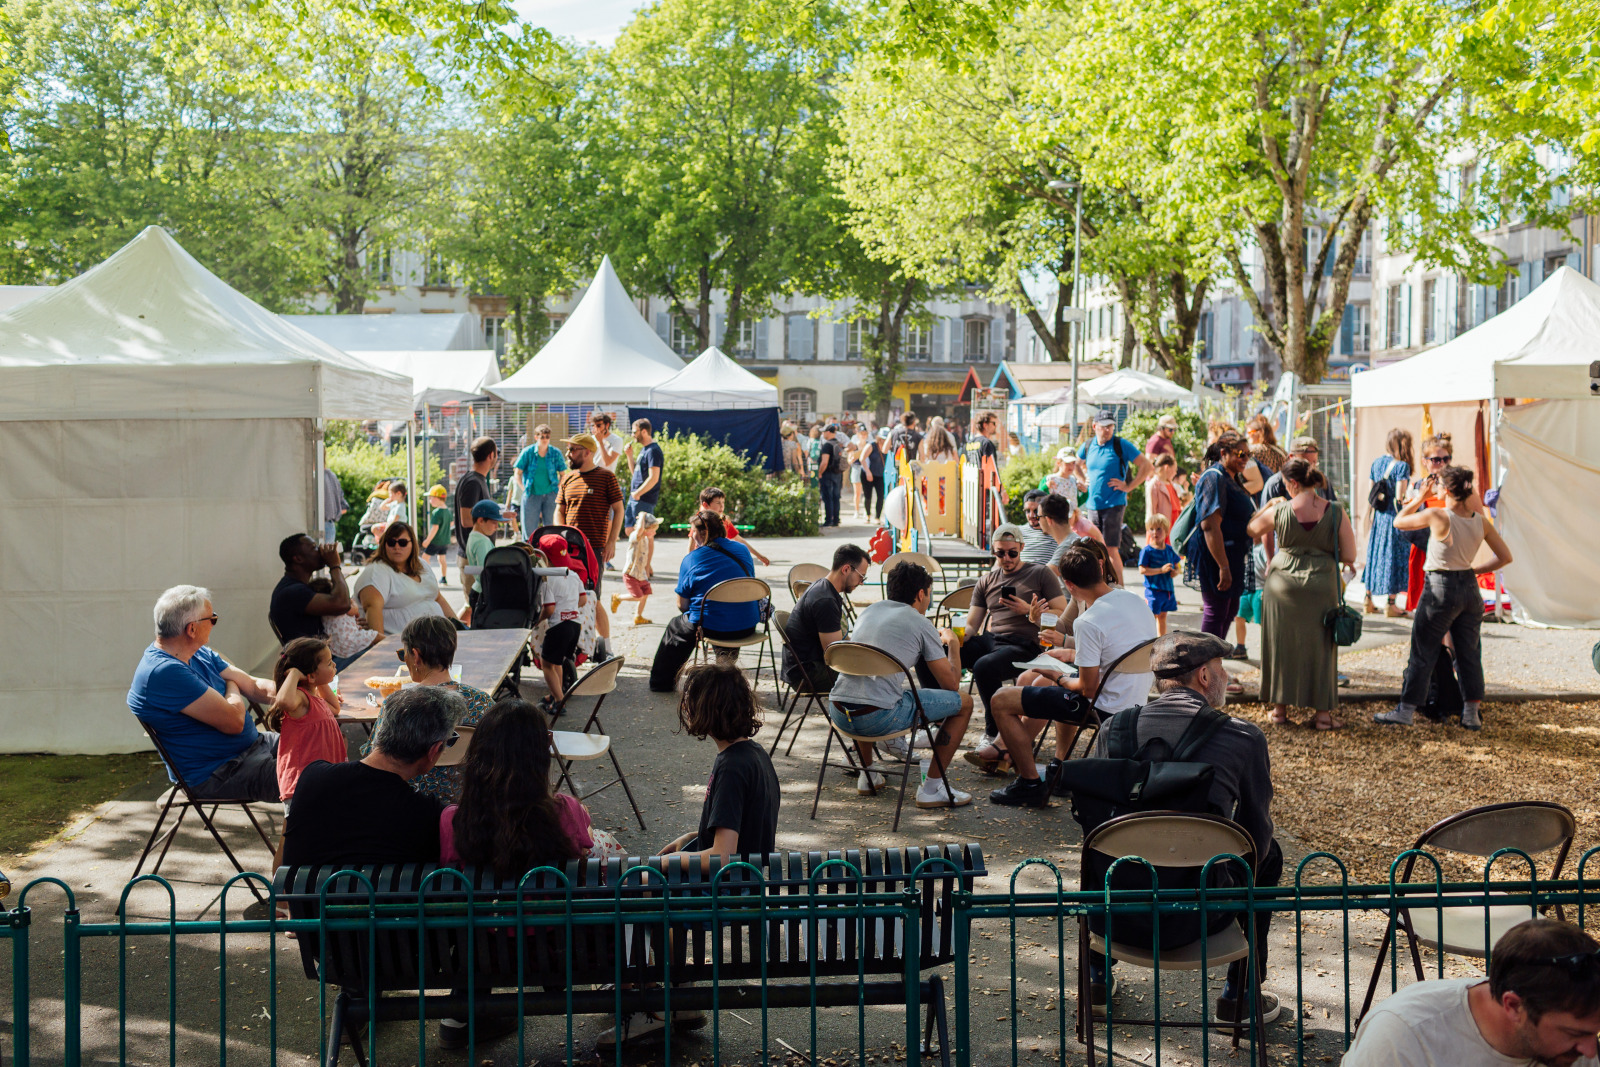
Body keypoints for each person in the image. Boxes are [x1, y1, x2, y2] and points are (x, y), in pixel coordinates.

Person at [1078, 631, 1281, 1025]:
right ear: (1204, 676)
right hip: (1203, 916)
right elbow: (1256, 833)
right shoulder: (1243, 737)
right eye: (1222, 668)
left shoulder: (1112, 730)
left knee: (1104, 849)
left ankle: (1096, 977)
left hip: (1120, 914)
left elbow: (1094, 831)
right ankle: (1240, 993)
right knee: (1269, 855)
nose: (1225, 676)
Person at [987, 545, 1157, 807]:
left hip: (1103, 708)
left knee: (1000, 699)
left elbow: (1087, 688)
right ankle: (1056, 767)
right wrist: (1068, 657)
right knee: (1047, 688)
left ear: (1068, 584)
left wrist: (1057, 677)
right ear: (1100, 569)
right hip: (1136, 703)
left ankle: (1030, 783)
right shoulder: (1135, 601)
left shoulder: (1088, 621)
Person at [1344, 919, 1600, 1067]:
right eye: (1575, 1034)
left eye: (1595, 1033)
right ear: (1512, 1006)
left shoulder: (1570, 1044)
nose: (1591, 1050)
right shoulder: (1403, 1038)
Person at [1375, 466, 1512, 731]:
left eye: (1438, 486)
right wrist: (1475, 570)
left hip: (1440, 587)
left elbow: (1399, 521)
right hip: (1469, 589)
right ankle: (1471, 714)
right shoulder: (1479, 521)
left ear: (1447, 490)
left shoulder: (1438, 515)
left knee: (1423, 650)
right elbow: (1505, 556)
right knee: (1469, 653)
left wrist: (1417, 498)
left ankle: (1406, 711)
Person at [828, 562, 976, 808]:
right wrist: (953, 644)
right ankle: (931, 789)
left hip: (840, 713)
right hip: (877, 718)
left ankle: (868, 774)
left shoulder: (869, 612)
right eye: (929, 593)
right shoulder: (920, 622)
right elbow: (951, 685)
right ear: (921, 594)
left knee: (867, 688)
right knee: (965, 704)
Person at [280, 682, 460, 868]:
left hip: (311, 896)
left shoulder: (313, 778)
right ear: (434, 750)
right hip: (382, 897)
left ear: (383, 730)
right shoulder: (429, 816)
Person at [128, 585, 280, 801]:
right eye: (213, 618)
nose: (214, 622)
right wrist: (233, 684)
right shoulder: (165, 672)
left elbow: (253, 685)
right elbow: (235, 721)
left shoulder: (197, 652)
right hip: (221, 771)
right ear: (192, 629)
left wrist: (307, 695)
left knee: (317, 745)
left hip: (253, 747)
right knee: (312, 779)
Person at [1248, 457, 1357, 730]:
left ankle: (1279, 712)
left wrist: (1268, 507)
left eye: (1285, 484)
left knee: (1281, 645)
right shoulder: (1335, 510)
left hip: (1282, 583)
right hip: (1321, 585)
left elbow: (1252, 530)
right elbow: (1351, 554)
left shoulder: (1281, 509)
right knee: (1321, 648)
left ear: (1293, 483)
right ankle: (1322, 716)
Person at [956, 525, 1068, 771]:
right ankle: (936, 722)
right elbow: (972, 625)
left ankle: (994, 732)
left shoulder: (1040, 574)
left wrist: (1028, 610)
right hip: (993, 639)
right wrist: (952, 638)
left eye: (1012, 553)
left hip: (1027, 642)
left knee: (984, 666)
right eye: (1000, 553)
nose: (1006, 558)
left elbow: (1062, 613)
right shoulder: (987, 580)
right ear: (993, 552)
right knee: (936, 653)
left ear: (1022, 549)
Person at [359, 616, 494, 802]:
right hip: (465, 807)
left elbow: (373, 757)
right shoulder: (483, 703)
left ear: (416, 655)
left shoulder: (398, 704)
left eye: (403, 654)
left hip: (409, 809)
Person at [648, 510, 760, 692]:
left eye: (692, 532)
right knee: (726, 616)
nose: (691, 536)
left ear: (701, 533)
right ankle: (725, 669)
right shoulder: (742, 550)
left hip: (711, 626)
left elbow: (682, 605)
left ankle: (661, 683)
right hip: (747, 625)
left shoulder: (692, 558)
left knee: (678, 626)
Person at [1190, 432, 1255, 695]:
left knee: (1228, 611)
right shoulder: (1214, 477)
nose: (1245, 459)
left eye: (1247, 455)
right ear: (1224, 452)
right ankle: (1202, 675)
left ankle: (1213, 671)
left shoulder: (1231, 478)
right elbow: (1209, 526)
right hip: (1217, 558)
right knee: (1216, 612)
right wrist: (1223, 566)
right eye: (1241, 454)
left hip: (1233, 555)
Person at [266, 637, 346, 812]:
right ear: (310, 675)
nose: (334, 665)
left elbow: (335, 708)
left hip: (320, 781)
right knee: (296, 835)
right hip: (302, 784)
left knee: (313, 833)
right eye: (329, 663)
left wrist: (321, 681)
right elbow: (284, 701)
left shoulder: (315, 696)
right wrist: (294, 673)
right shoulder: (301, 698)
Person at [783, 544, 871, 694]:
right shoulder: (825, 601)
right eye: (861, 577)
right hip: (807, 674)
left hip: (805, 667)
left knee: (869, 666)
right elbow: (835, 655)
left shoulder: (823, 586)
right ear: (846, 569)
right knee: (871, 676)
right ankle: (854, 716)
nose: (861, 582)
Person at [1075, 411, 1153, 580]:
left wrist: (1129, 486)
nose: (1108, 430)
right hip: (1092, 505)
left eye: (1111, 426)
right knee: (1093, 548)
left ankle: (1120, 588)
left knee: (1110, 549)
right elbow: (1075, 464)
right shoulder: (1088, 445)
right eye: (1104, 427)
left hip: (1114, 504)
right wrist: (1082, 479)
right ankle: (1098, 584)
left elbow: (1146, 465)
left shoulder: (1120, 444)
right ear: (1095, 427)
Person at [351, 521, 458, 635]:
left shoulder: (422, 564)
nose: (397, 547)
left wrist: (457, 625)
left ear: (412, 544)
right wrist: (383, 647)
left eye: (402, 542)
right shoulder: (376, 572)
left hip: (435, 638)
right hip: (403, 645)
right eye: (391, 542)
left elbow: (438, 598)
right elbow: (372, 610)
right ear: (384, 544)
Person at [556, 432, 625, 580]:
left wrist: (611, 541)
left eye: (573, 449)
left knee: (592, 595)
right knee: (570, 593)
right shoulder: (568, 478)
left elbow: (619, 510)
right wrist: (561, 536)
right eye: (568, 449)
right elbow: (559, 511)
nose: (568, 454)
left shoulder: (606, 477)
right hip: (569, 546)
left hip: (594, 547)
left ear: (587, 452)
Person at [1403, 431, 1457, 615]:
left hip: (1447, 548)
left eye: (1445, 459)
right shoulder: (1416, 487)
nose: (1441, 464)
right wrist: (1417, 499)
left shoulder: (1456, 486)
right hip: (1422, 546)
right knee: (1424, 603)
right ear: (1425, 461)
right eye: (1435, 460)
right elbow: (1404, 519)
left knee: (1446, 603)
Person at [1364, 428, 1415, 617]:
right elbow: (1400, 497)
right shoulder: (1402, 466)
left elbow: (1371, 494)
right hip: (1393, 517)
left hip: (1378, 516)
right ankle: (1391, 604)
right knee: (1393, 557)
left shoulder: (1376, 463)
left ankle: (1367, 599)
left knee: (1375, 555)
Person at [534, 533, 588, 708]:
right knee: (557, 662)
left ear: (544, 558)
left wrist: (536, 620)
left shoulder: (548, 579)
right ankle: (555, 693)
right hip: (575, 625)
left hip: (559, 626)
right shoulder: (573, 575)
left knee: (546, 664)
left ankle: (559, 701)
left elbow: (549, 608)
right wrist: (569, 607)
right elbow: (583, 600)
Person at [270, 534, 353, 647]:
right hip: (315, 662)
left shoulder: (294, 587)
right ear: (298, 559)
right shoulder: (293, 592)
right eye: (313, 547)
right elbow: (342, 604)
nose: (320, 550)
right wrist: (335, 566)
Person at [309, 578, 382, 664]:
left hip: (337, 642)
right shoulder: (339, 605)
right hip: (348, 638)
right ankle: (396, 646)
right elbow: (353, 610)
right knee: (378, 637)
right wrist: (350, 601)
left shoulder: (323, 609)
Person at [513, 424, 566, 534]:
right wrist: (523, 488)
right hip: (531, 493)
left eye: (547, 437)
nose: (545, 440)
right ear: (536, 437)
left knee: (552, 529)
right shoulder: (528, 452)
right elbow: (517, 473)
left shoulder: (555, 453)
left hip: (551, 494)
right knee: (529, 529)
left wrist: (558, 487)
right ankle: (529, 550)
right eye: (542, 437)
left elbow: (563, 473)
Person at [611, 511, 661, 626]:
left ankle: (638, 616)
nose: (655, 532)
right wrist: (642, 516)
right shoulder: (635, 536)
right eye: (653, 529)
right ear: (646, 528)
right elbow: (639, 530)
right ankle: (618, 598)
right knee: (638, 596)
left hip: (641, 574)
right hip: (631, 573)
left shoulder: (644, 538)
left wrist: (647, 569)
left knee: (646, 593)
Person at [700, 486, 770, 566]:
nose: (722, 506)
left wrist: (759, 556)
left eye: (723, 502)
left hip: (719, 561)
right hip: (703, 561)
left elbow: (739, 539)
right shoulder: (699, 521)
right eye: (718, 503)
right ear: (705, 505)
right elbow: (691, 547)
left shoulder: (724, 521)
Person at [453, 436, 498, 561]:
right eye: (496, 453)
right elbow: (467, 520)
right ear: (491, 455)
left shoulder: (475, 479)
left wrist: (500, 515)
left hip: (476, 556)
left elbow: (478, 514)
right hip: (472, 558)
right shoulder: (473, 483)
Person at [459, 498, 504, 622]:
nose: (497, 527)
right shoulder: (482, 541)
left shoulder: (473, 536)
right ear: (480, 520)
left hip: (478, 589)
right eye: (494, 522)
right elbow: (486, 571)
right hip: (484, 592)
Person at [1261, 436, 1337, 503]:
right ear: (1291, 457)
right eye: (1305, 464)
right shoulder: (1275, 484)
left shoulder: (1322, 481)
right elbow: (1264, 516)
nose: (1311, 469)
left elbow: (1334, 515)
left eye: (1314, 463)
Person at [1139, 514, 1181, 636]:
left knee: (1162, 617)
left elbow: (1178, 567)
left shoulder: (1170, 550)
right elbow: (1142, 569)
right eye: (1151, 529)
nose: (1154, 532)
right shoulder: (1147, 551)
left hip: (1167, 590)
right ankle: (1149, 642)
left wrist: (1175, 572)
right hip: (1153, 590)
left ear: (1166, 531)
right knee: (1151, 617)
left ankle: (1160, 641)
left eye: (1158, 529)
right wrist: (1160, 570)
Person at [626, 418, 664, 533]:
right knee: (629, 530)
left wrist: (638, 493)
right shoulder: (644, 450)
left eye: (634, 432)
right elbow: (635, 474)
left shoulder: (653, 451)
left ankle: (645, 552)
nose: (632, 435)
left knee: (647, 532)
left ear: (644, 431)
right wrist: (629, 455)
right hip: (635, 497)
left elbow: (654, 478)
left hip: (644, 499)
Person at [421, 486, 452, 585]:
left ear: (437, 498)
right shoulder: (448, 511)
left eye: (431, 498)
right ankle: (444, 578)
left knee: (425, 558)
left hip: (436, 541)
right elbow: (451, 524)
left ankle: (429, 578)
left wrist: (427, 541)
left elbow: (434, 529)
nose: (430, 500)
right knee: (441, 559)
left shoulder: (436, 513)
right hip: (445, 541)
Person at [1018, 490, 1060, 564]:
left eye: (1036, 511)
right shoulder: (1017, 531)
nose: (1031, 515)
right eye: (1027, 511)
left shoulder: (1058, 532)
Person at [817, 423, 845, 527]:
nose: (823, 434)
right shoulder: (839, 444)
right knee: (836, 497)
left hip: (828, 474)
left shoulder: (827, 445)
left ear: (828, 432)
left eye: (824, 432)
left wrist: (820, 473)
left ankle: (828, 520)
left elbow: (824, 462)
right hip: (838, 474)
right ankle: (836, 519)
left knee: (827, 497)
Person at [1146, 454, 1182, 532]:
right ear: (1166, 467)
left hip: (1174, 527)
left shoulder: (1171, 484)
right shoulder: (1154, 485)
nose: (1175, 472)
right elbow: (1152, 512)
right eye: (1174, 469)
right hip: (1162, 529)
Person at [590, 411, 632, 478]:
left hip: (605, 479)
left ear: (607, 425)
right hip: (591, 477)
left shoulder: (616, 440)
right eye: (593, 426)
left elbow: (607, 462)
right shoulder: (591, 439)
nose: (596, 429)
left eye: (598, 425)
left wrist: (600, 442)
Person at [861, 425, 888, 521]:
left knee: (880, 496)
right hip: (868, 474)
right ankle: (868, 515)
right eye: (883, 439)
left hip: (880, 475)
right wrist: (868, 472)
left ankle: (877, 517)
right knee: (868, 496)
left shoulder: (888, 447)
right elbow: (862, 459)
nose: (884, 441)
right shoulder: (871, 445)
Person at [321, 468, 348, 544]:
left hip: (324, 524)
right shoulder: (331, 476)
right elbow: (344, 508)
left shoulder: (321, 476)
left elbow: (343, 508)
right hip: (329, 525)